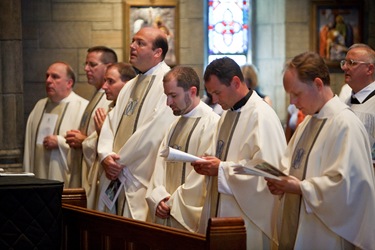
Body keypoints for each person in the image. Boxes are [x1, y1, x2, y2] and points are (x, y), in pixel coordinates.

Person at [266, 51, 375, 249]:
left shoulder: (346, 124)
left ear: (317, 84)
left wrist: (300, 188)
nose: (292, 102)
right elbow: (289, 164)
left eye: (296, 94)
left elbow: (350, 189)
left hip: (326, 236)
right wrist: (279, 180)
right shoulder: (307, 122)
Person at [192, 57, 287, 249]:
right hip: (220, 213)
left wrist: (221, 169)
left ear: (236, 82)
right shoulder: (226, 114)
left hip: (248, 219)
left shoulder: (262, 116)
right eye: (211, 94)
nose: (215, 100)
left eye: (217, 92)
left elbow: (270, 171)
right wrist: (206, 162)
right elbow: (219, 154)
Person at [96, 26, 176, 221]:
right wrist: (105, 155)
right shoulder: (130, 85)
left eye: (140, 43)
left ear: (158, 52)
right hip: (117, 173)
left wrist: (119, 162)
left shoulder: (167, 83)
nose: (132, 46)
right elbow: (111, 122)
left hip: (139, 178)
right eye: (133, 41)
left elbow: (154, 131)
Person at [146, 66, 220, 232]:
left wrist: (173, 202)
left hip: (184, 215)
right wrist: (159, 197)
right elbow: (160, 164)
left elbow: (202, 176)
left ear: (192, 92)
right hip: (166, 208)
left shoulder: (212, 124)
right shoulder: (174, 125)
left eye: (173, 96)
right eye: (166, 96)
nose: (168, 103)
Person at [81, 62, 136, 210]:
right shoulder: (110, 110)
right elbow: (88, 146)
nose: (104, 86)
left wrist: (102, 136)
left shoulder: (132, 112)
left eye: (110, 81)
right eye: (105, 81)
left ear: (128, 84)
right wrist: (100, 136)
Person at [23, 62, 88, 186]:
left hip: (65, 182)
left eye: (55, 77)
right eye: (47, 76)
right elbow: (29, 146)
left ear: (69, 83)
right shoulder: (40, 106)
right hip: (38, 177)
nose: (48, 81)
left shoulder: (82, 107)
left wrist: (60, 142)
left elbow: (87, 145)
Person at [65, 46, 117, 188]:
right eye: (86, 64)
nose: (86, 69)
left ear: (109, 67)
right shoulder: (97, 94)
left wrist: (84, 140)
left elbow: (114, 140)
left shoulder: (111, 98)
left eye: (92, 64)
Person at [340, 43, 375, 167]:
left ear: (369, 69)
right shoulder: (345, 102)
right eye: (344, 62)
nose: (344, 67)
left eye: (352, 63)